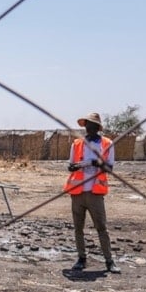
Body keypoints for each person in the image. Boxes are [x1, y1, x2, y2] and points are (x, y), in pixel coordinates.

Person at [64, 111, 120, 273]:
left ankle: (109, 261)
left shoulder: (107, 144)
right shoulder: (77, 144)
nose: (89, 127)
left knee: (101, 227)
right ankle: (81, 259)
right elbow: (70, 165)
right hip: (78, 191)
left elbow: (109, 168)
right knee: (78, 228)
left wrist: (97, 163)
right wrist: (75, 166)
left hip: (96, 192)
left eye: (92, 125)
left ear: (98, 127)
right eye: (87, 125)